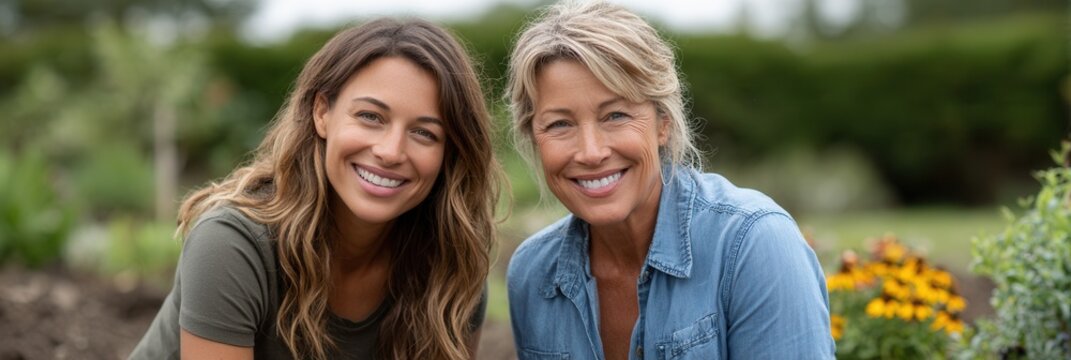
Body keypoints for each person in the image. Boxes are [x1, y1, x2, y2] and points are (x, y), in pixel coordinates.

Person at [130, 18, 502, 360]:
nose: (390, 151)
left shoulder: (451, 271)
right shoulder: (232, 245)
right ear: (322, 112)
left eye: (424, 132)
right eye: (370, 116)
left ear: (450, 151)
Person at [504, 2, 834, 359]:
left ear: (663, 123)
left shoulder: (752, 244)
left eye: (615, 115)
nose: (591, 151)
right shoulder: (532, 274)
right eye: (560, 124)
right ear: (534, 137)